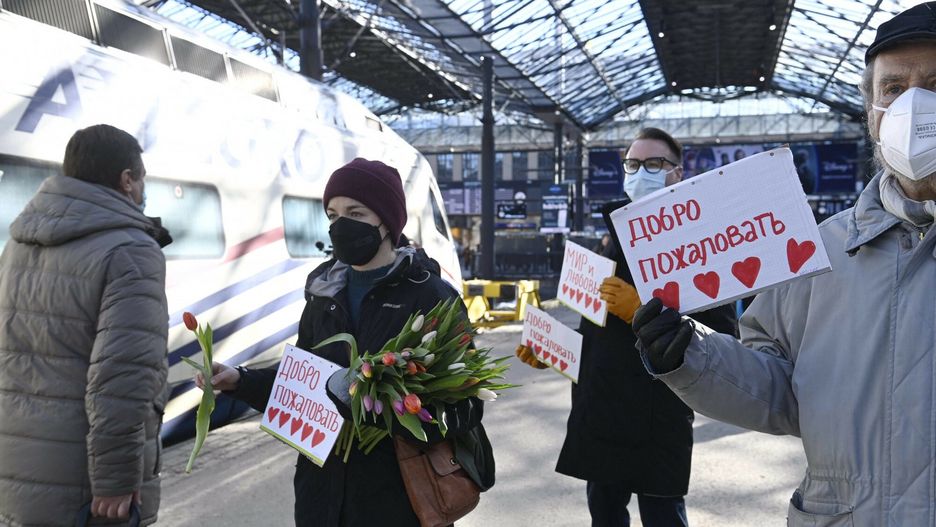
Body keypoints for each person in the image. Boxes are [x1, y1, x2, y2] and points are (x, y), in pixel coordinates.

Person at [630, 4, 936, 525]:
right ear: (871, 112)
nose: (912, 105)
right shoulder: (825, 250)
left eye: (934, 84)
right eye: (892, 89)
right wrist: (690, 355)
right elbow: (779, 389)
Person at [200, 158, 485, 527]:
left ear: (387, 220)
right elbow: (302, 380)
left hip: (399, 501)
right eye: (332, 214)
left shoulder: (430, 295)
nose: (340, 225)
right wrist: (239, 380)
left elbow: (467, 406)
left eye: (355, 212)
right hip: (321, 495)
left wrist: (374, 405)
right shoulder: (323, 293)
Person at [517, 128, 737, 527]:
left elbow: (722, 337)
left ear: (678, 174)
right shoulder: (611, 237)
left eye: (654, 164)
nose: (641, 172)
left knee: (663, 515)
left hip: (659, 412)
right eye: (633, 164)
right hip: (601, 407)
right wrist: (553, 349)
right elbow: (594, 329)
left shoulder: (702, 244)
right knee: (604, 514)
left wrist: (642, 312)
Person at [0, 124, 171, 525]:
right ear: (127, 180)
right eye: (141, 178)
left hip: (20, 467)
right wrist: (114, 477)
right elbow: (122, 376)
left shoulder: (17, 244)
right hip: (86, 484)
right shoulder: (131, 249)